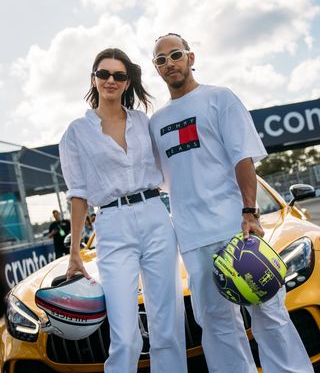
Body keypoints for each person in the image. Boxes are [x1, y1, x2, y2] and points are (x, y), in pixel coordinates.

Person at [149, 33, 314, 373]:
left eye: (175, 55)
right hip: (193, 238)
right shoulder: (156, 122)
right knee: (216, 323)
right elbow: (160, 179)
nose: (169, 63)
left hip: (234, 228)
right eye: (161, 60)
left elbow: (243, 159)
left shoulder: (219, 99)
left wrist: (250, 212)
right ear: (156, 69)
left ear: (191, 58)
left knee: (268, 311)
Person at [59, 48, 187, 373]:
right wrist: (74, 251)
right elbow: (78, 195)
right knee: (126, 337)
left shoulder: (145, 122)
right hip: (113, 225)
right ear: (94, 79)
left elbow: (173, 166)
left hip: (156, 216)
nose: (110, 80)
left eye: (118, 75)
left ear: (127, 81)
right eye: (104, 74)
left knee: (167, 326)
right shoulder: (76, 132)